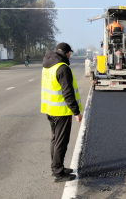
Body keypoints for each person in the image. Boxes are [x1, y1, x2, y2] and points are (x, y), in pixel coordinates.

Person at [41, 42, 83, 182]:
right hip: (61, 111)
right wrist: (76, 112)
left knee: (55, 140)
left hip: (50, 109)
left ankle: (57, 167)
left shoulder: (48, 65)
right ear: (66, 53)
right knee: (61, 142)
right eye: (69, 52)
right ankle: (58, 172)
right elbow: (68, 93)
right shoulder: (62, 68)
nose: (70, 55)